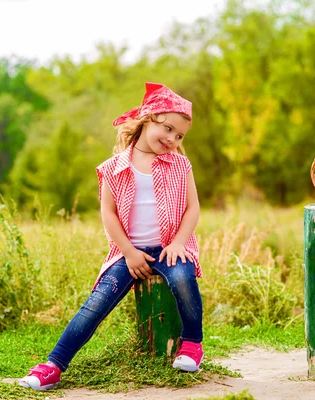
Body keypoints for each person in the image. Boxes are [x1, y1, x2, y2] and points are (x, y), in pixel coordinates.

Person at [19, 82, 204, 391]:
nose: (172, 139)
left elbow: (193, 207)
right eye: (168, 129)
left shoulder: (180, 165)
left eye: (180, 135)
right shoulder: (113, 168)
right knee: (96, 302)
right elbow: (109, 215)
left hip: (170, 247)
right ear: (148, 118)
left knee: (184, 280)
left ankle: (192, 343)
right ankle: (53, 364)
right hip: (128, 252)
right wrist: (129, 253)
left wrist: (178, 242)